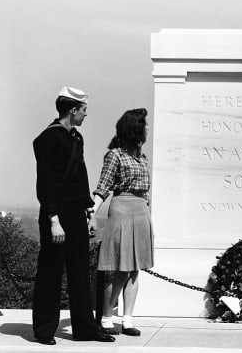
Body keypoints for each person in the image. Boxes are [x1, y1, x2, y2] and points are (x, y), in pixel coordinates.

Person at [32, 87, 115, 345]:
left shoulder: (76, 138)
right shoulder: (49, 138)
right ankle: (44, 330)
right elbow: (45, 182)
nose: (86, 115)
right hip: (55, 213)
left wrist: (89, 211)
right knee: (50, 272)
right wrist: (54, 220)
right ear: (72, 110)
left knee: (79, 273)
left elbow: (80, 176)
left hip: (76, 212)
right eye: (84, 110)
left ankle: (85, 329)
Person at [88, 108, 153, 336]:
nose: (146, 129)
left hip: (140, 211)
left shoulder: (141, 156)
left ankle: (127, 319)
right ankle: (107, 315)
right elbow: (103, 186)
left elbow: (146, 192)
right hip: (122, 209)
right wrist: (92, 213)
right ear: (134, 128)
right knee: (117, 268)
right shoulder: (115, 155)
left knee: (134, 269)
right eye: (143, 125)